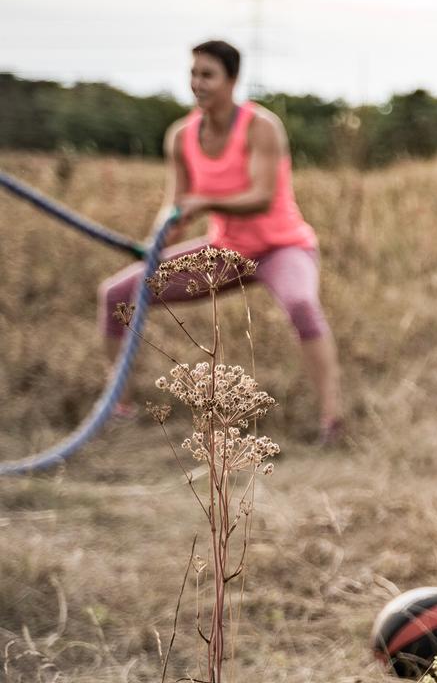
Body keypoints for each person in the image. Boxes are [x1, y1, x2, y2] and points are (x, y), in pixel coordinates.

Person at [97, 40, 344, 442]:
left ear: (232, 80)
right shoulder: (180, 136)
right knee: (117, 294)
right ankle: (119, 409)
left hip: (282, 247)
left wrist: (203, 201)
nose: (197, 83)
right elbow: (176, 207)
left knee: (302, 305)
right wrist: (158, 239)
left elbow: (262, 197)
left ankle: (332, 422)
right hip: (225, 253)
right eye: (193, 73)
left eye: (207, 75)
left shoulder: (261, 127)